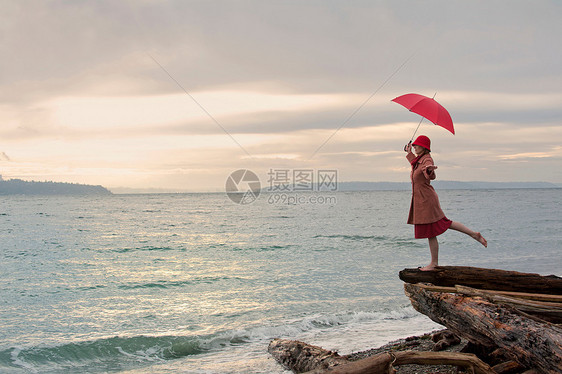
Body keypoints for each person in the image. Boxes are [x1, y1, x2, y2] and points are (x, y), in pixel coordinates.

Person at [405, 135, 487, 271]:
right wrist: (409, 154)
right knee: (443, 224)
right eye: (413, 145)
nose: (414, 147)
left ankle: (434, 263)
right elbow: (415, 164)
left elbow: (429, 173)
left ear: (424, 147)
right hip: (422, 199)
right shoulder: (418, 159)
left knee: (435, 229)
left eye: (416, 145)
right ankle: (473, 234)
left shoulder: (427, 159)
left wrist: (429, 171)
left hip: (426, 199)